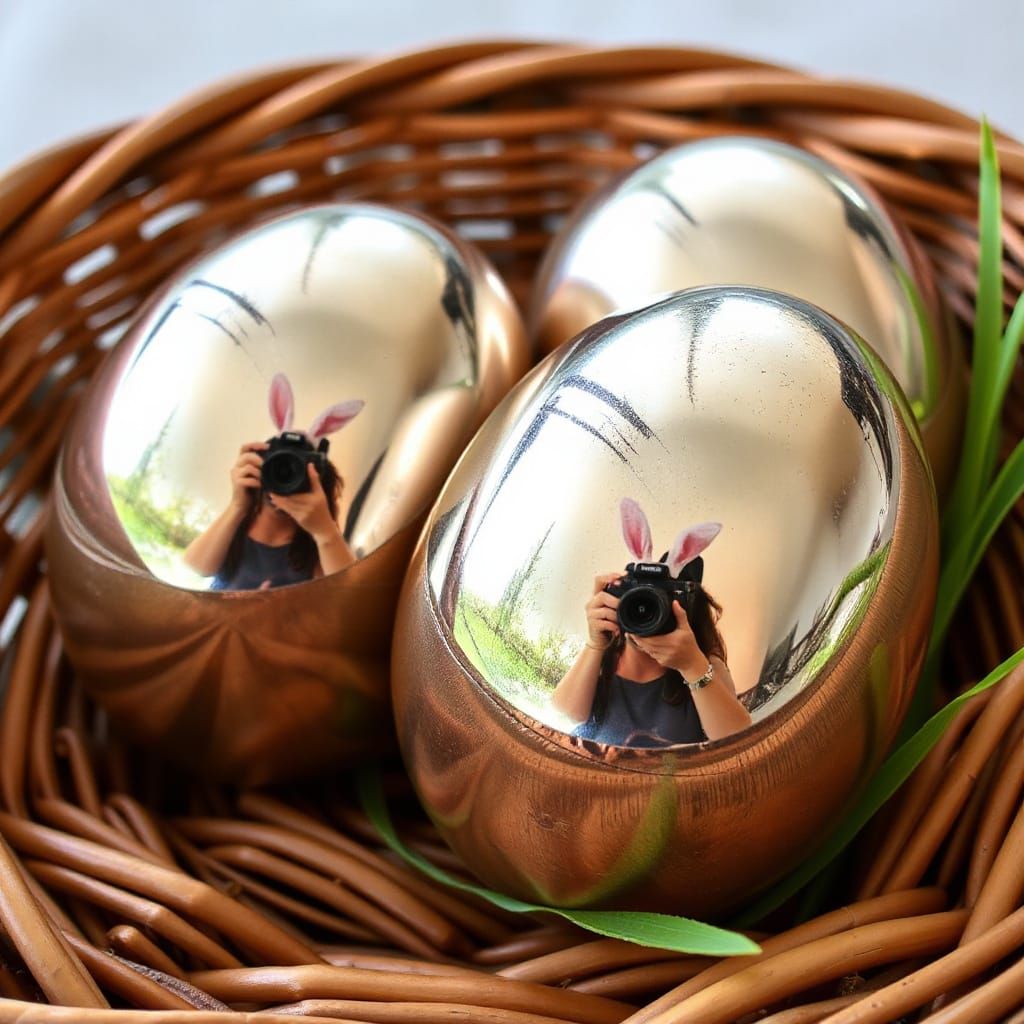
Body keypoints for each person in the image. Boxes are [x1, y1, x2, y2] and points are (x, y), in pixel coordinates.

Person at [551, 500, 751, 746]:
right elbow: (562, 719)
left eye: (662, 601)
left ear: (687, 613)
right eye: (639, 598)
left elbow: (737, 741)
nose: (647, 610)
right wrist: (595, 644)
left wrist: (692, 666)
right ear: (622, 598)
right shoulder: (601, 661)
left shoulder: (705, 665)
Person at [183, 440, 356, 590]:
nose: (286, 481)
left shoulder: (315, 546)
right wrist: (237, 506)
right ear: (260, 468)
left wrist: (324, 531)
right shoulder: (237, 523)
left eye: (299, 473)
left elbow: (349, 594)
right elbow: (197, 566)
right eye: (279, 467)